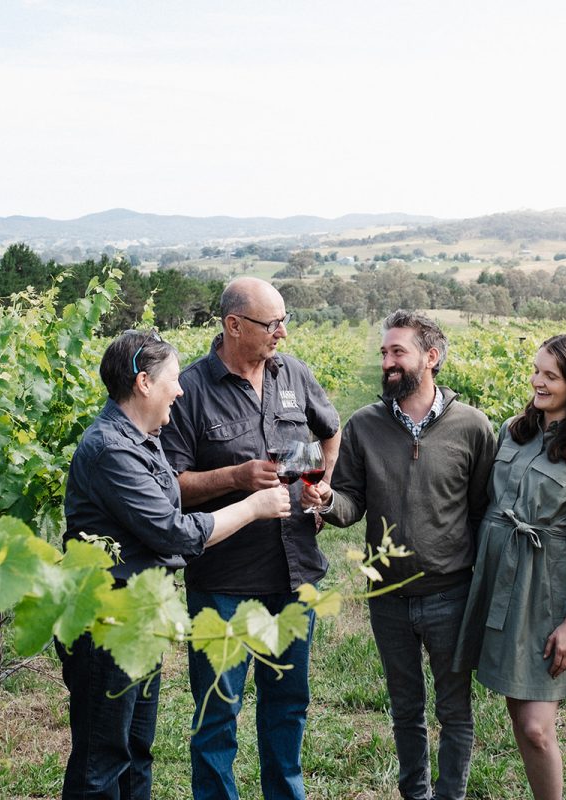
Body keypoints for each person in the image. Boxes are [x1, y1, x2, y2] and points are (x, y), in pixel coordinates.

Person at [58, 329, 291, 800]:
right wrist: (252, 506)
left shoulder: (146, 439)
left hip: (142, 615)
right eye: (173, 379)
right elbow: (173, 532)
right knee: (101, 760)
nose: (181, 390)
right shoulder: (112, 450)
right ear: (144, 383)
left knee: (136, 748)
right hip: (108, 619)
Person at [303, 309, 496, 800]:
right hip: (387, 595)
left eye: (397, 352)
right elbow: (350, 502)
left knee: (454, 711)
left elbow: (480, 510)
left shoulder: (473, 427)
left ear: (430, 358)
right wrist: (327, 501)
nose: (387, 362)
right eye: (384, 353)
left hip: (450, 595)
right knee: (404, 709)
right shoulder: (364, 425)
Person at [160, 277, 341, 800]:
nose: (281, 333)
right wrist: (236, 478)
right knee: (218, 712)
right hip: (224, 583)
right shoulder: (189, 391)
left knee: (288, 706)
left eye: (285, 321)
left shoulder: (294, 374)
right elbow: (171, 485)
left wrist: (323, 485)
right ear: (233, 325)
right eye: (272, 323)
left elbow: (331, 431)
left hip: (292, 574)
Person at [454, 333, 566, 800]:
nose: (538, 382)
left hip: (545, 590)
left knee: (535, 727)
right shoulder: (514, 430)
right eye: (536, 371)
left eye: (551, 376)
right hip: (498, 579)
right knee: (518, 713)